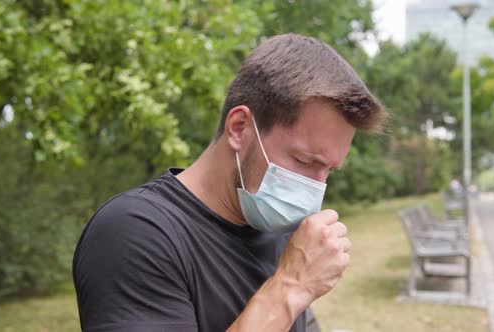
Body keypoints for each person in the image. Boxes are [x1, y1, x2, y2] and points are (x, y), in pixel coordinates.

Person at [72, 33, 386, 332]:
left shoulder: (279, 230)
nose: (316, 188)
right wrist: (291, 285)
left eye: (330, 170)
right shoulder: (134, 232)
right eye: (306, 161)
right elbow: (287, 294)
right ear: (239, 128)